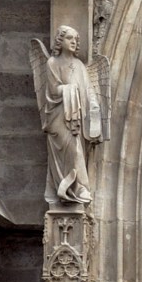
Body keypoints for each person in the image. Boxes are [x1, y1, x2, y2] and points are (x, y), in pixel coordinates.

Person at [33, 25, 103, 205]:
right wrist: (69, 90)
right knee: (68, 151)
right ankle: (65, 185)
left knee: (77, 150)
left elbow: (88, 90)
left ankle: (80, 186)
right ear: (60, 41)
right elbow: (52, 91)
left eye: (76, 39)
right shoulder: (52, 64)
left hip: (76, 116)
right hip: (58, 116)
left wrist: (94, 106)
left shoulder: (79, 65)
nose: (74, 42)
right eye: (69, 38)